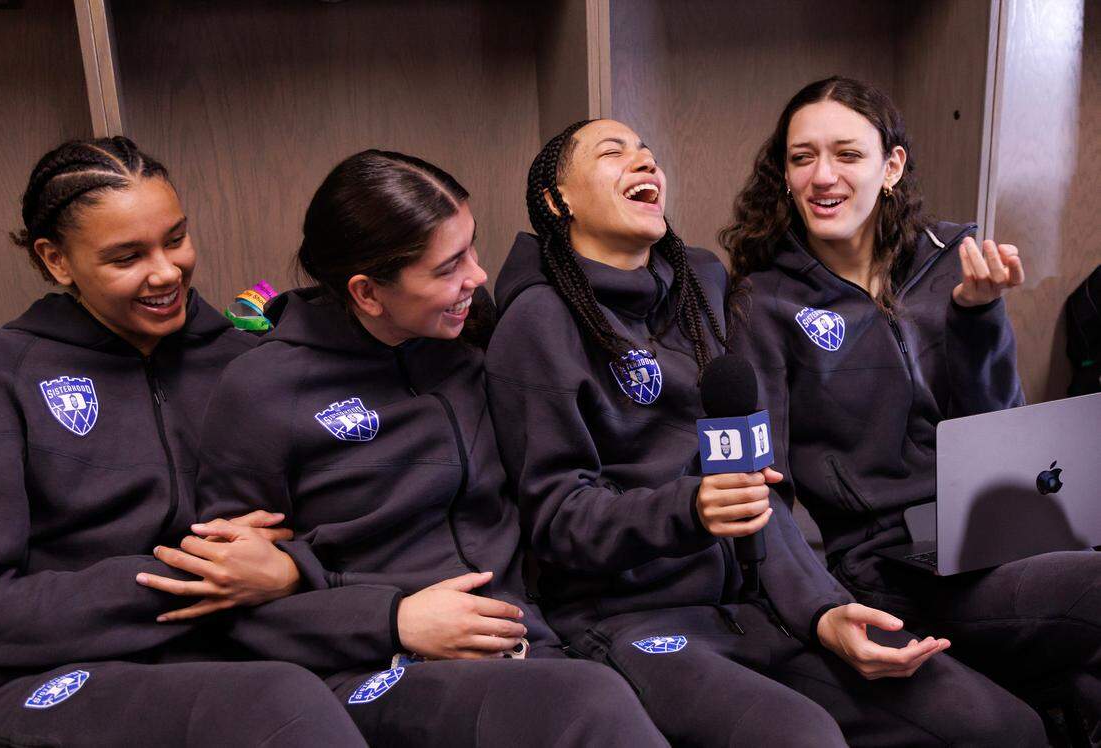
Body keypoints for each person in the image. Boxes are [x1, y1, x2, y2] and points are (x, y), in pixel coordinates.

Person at [485, 117, 1047, 746]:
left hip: (757, 602)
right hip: (628, 619)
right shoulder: (536, 321)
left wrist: (822, 609)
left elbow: (760, 485)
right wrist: (689, 509)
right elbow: (556, 517)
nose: (644, 162)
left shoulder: (702, 286)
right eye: (613, 154)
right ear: (558, 201)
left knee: (1001, 726)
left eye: (647, 151)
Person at [174, 149, 667, 747]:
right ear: (368, 293)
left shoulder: (470, 336)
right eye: (448, 266)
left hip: (520, 647)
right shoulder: (260, 391)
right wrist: (393, 620)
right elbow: (229, 611)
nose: (478, 277)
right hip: (365, 671)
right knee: (584, 702)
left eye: (473, 248)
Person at [722, 75, 1100, 742]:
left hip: (990, 538)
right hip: (886, 568)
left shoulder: (952, 260)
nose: (822, 175)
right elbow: (759, 494)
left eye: (847, 154)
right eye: (801, 156)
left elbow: (1001, 437)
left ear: (891, 167)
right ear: (784, 174)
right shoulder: (768, 302)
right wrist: (821, 609)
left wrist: (978, 321)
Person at [0, 137, 366, 747]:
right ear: (56, 260)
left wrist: (288, 572)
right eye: (127, 256)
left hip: (253, 656)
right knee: (273, 702)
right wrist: (195, 580)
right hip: (46, 676)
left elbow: (328, 537)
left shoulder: (253, 363)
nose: (166, 271)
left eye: (175, 239)